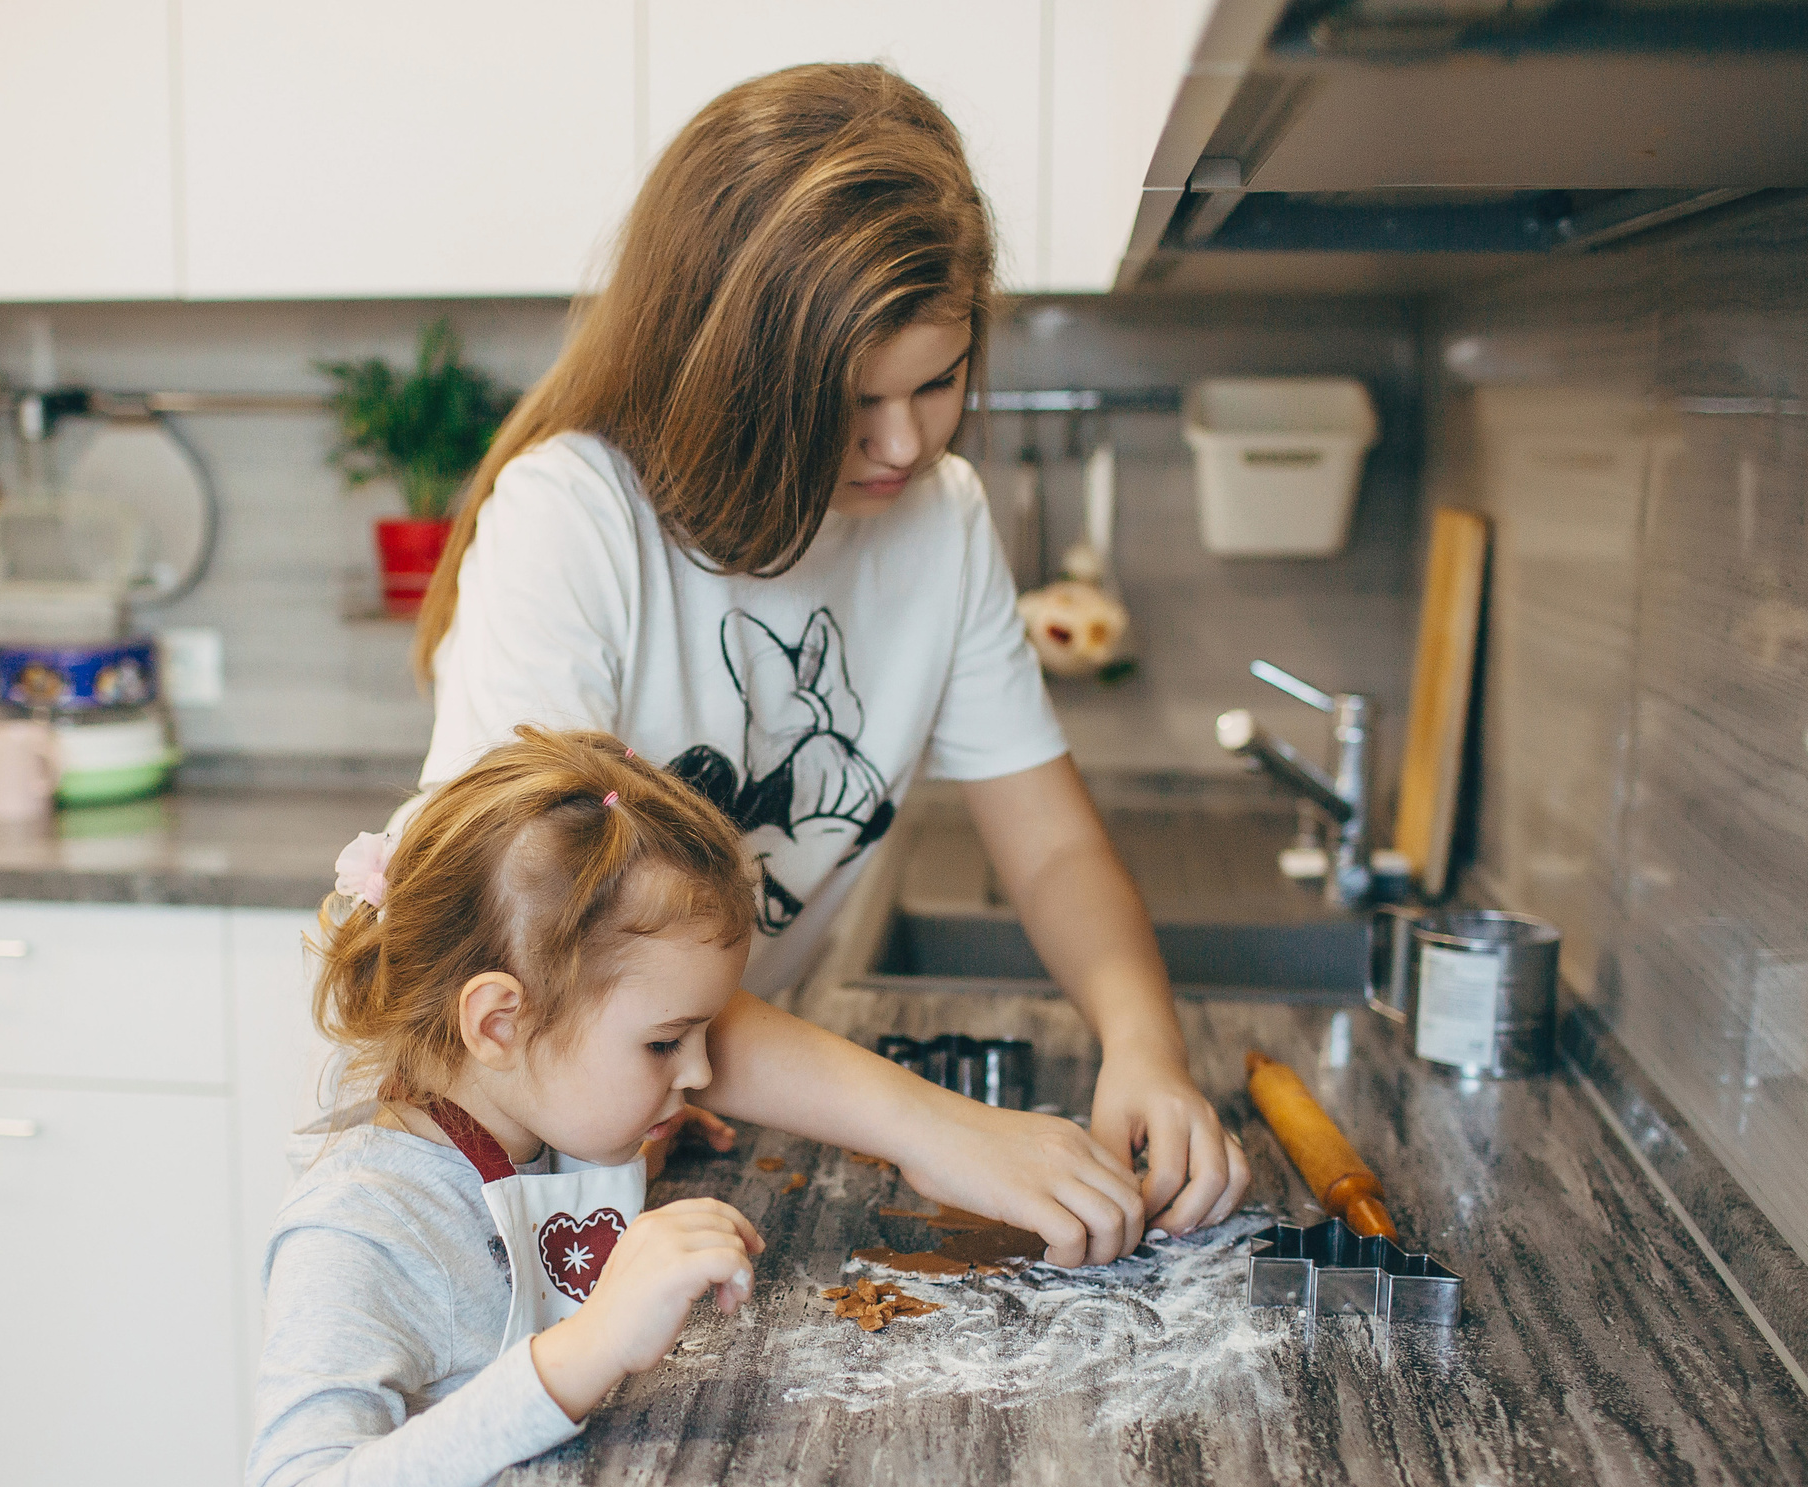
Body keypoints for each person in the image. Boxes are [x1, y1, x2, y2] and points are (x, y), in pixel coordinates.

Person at [405, 63, 1248, 1263]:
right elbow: (565, 949)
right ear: (734, 373)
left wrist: (1143, 1046)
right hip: (489, 1160)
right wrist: (930, 1128)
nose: (904, 442)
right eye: (851, 401)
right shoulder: (575, 518)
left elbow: (1051, 845)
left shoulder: (940, 519)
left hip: (665, 1112)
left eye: (939, 381)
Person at [252, 731, 766, 1487]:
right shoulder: (363, 1219)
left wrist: (637, 1123)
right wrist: (580, 1353)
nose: (700, 1071)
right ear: (497, 1023)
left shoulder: (539, 1117)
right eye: (663, 1043)